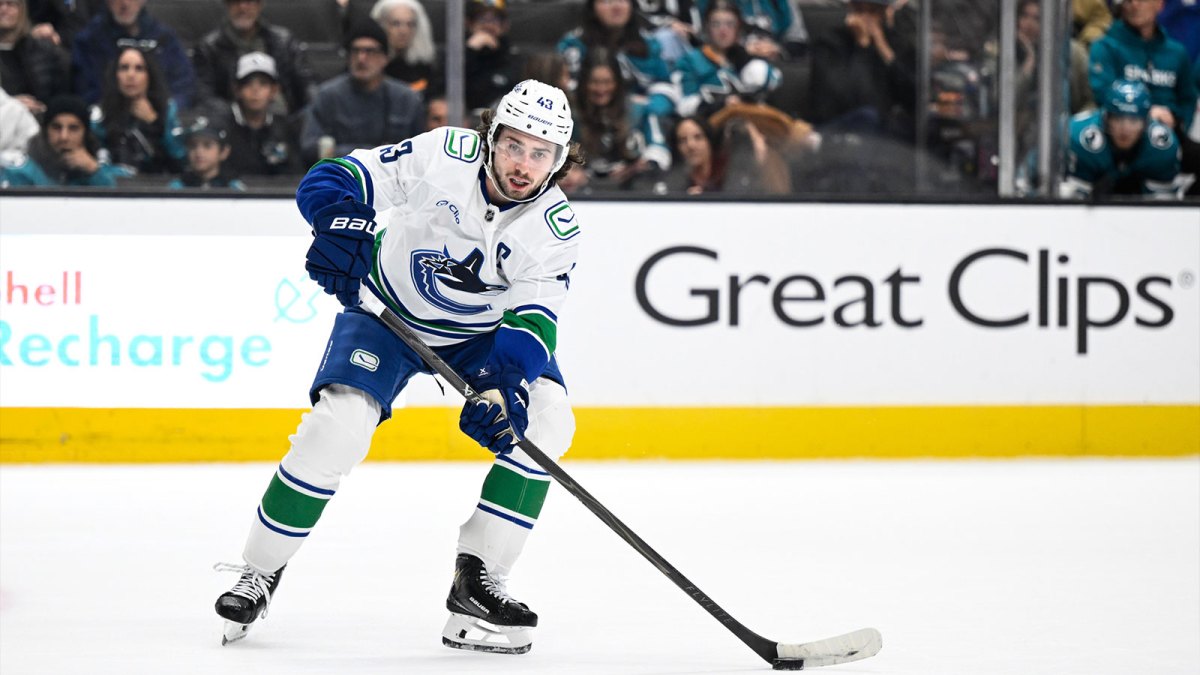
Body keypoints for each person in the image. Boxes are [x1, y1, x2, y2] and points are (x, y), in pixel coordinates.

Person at [212, 79, 585, 656]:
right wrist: (337, 221)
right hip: (386, 312)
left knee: (549, 419)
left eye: (541, 154)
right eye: (514, 145)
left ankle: (478, 583)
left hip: (479, 336)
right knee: (337, 428)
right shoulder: (443, 155)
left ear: (559, 161)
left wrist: (500, 385)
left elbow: (534, 321)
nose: (524, 165)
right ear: (491, 137)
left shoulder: (555, 229)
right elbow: (335, 177)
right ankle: (258, 570)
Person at [299, 19, 424, 163]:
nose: (361, 58)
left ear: (385, 58)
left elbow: (420, 153)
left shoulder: (406, 99)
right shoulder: (328, 96)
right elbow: (309, 148)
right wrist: (373, 154)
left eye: (370, 51)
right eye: (355, 51)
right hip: (342, 177)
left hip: (393, 179)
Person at [807, 0, 916, 141]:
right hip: (840, 127)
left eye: (873, 12)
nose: (867, 19)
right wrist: (863, 48)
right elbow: (858, 100)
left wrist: (884, 51)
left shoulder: (894, 41)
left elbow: (913, 97)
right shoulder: (829, 43)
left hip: (885, 128)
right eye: (860, 11)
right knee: (868, 116)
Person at [1059, 79, 1185, 199]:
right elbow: (1071, 201)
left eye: (1134, 120)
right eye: (1118, 119)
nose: (1125, 129)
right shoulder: (1079, 137)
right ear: (1106, 118)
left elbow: (1164, 207)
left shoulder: (1163, 146)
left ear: (1146, 122)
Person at [191, 0, 315, 116]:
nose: (243, 7)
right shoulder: (209, 48)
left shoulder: (284, 40)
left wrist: (307, 116)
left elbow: (307, 83)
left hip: (286, 120)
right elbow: (204, 95)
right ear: (227, 5)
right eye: (236, 1)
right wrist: (233, 120)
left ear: (260, 4)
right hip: (234, 125)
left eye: (250, 1)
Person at [570, 47, 669, 191]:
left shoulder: (639, 110)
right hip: (585, 192)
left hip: (631, 189)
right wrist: (570, 171)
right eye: (594, 82)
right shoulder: (569, 117)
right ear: (584, 83)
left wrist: (640, 166)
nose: (601, 89)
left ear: (618, 82)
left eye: (607, 82)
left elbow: (658, 148)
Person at [70, 0, 194, 109]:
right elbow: (85, 91)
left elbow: (184, 86)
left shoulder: (164, 39)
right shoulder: (89, 41)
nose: (125, 3)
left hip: (161, 122)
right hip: (107, 123)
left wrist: (164, 113)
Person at [675, 0, 782, 119]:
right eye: (716, 24)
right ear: (706, 27)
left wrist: (750, 60)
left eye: (730, 24)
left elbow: (773, 79)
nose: (723, 31)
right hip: (711, 124)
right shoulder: (691, 60)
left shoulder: (745, 58)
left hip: (750, 121)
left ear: (738, 28)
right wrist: (721, 105)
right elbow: (685, 106)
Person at [91, 45, 184, 174]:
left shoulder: (167, 110)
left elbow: (180, 159)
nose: (130, 75)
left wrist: (154, 122)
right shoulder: (100, 114)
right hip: (113, 188)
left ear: (149, 75)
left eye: (139, 69)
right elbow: (95, 161)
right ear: (115, 75)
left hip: (158, 187)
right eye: (124, 68)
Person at [0, 92, 130, 186]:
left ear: (86, 133)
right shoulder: (21, 173)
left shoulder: (104, 172)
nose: (64, 137)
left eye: (73, 128)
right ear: (45, 131)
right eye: (56, 128)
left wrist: (94, 171)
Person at [224, 52, 301, 177]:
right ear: (237, 89)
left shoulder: (286, 128)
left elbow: (294, 172)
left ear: (274, 90)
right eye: (248, 83)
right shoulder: (224, 127)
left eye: (263, 83)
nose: (255, 90)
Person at [0, 0, 68, 117]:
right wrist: (12, 106)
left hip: (42, 121)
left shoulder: (45, 51)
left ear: (22, 9)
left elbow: (62, 93)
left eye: (10, 4)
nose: (4, 10)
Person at [370, 0, 439, 96]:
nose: (403, 31)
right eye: (396, 24)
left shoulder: (427, 67)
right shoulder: (366, 65)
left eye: (410, 24)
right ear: (381, 25)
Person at [464, 0, 521, 111]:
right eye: (481, 19)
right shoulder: (455, 53)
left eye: (495, 19)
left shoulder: (512, 56)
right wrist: (470, 51)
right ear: (469, 23)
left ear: (504, 25)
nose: (488, 25)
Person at [167, 114, 245, 190]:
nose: (199, 152)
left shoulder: (234, 188)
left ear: (224, 152)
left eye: (207, 146)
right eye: (193, 146)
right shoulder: (176, 188)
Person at [668, 113, 725, 193]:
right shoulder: (673, 183)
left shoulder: (729, 173)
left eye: (698, 137)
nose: (691, 145)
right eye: (683, 140)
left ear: (709, 141)